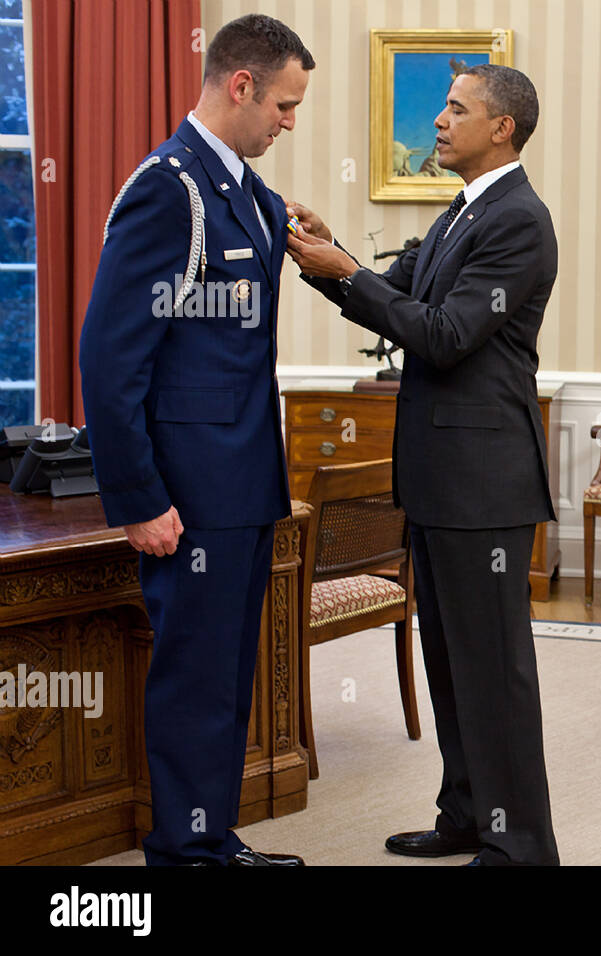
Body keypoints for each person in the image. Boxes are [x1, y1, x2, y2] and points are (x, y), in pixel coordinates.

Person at [286, 65, 560, 866]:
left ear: (502, 127)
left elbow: (440, 335)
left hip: (485, 483)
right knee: (450, 660)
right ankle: (467, 817)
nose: (438, 122)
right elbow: (387, 288)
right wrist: (324, 249)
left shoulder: (518, 221)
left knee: (494, 675)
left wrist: (345, 271)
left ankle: (521, 850)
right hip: (444, 481)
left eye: (455, 109)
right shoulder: (461, 211)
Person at [79, 14, 313, 866]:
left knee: (227, 677)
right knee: (194, 680)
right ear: (239, 85)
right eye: (284, 104)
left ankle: (210, 836)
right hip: (188, 492)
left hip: (242, 485)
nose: (290, 121)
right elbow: (110, 362)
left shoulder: (246, 193)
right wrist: (139, 498)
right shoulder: (167, 188)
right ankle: (184, 856)